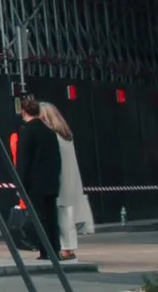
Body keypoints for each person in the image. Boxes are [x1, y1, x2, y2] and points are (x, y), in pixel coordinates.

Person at [42, 99, 96, 259]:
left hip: (60, 180)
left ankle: (66, 248)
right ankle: (69, 247)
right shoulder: (66, 136)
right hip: (70, 179)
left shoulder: (53, 137)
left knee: (62, 214)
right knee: (67, 214)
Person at [12, 92, 63, 254]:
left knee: (38, 217)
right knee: (51, 217)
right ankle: (54, 249)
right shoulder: (49, 131)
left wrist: (21, 185)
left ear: (24, 112)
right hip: (51, 182)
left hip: (35, 183)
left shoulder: (27, 132)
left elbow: (24, 161)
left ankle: (43, 250)